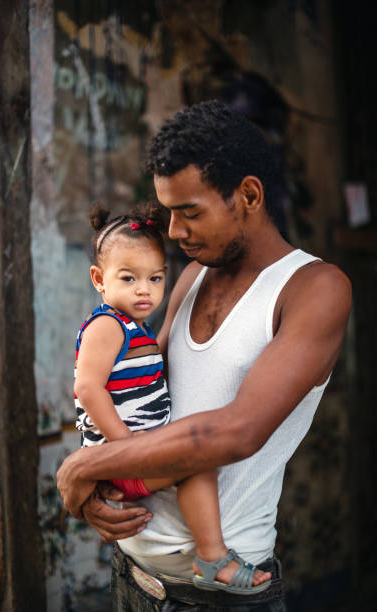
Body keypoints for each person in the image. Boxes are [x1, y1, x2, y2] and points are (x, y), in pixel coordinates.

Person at [57, 100, 352, 611]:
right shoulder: (191, 277)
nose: (172, 230)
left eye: (189, 211)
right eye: (169, 211)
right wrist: (98, 483)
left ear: (249, 196)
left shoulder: (313, 288)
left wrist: (82, 467)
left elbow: (235, 432)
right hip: (133, 577)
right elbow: (148, 398)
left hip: (219, 600)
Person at [74, 201, 270, 594]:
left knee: (193, 460)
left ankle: (212, 556)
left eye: (155, 279)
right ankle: (213, 559)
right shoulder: (107, 326)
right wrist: (124, 447)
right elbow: (87, 388)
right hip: (122, 456)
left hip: (132, 452)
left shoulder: (137, 329)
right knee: (197, 461)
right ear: (99, 279)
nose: (145, 290)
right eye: (128, 278)